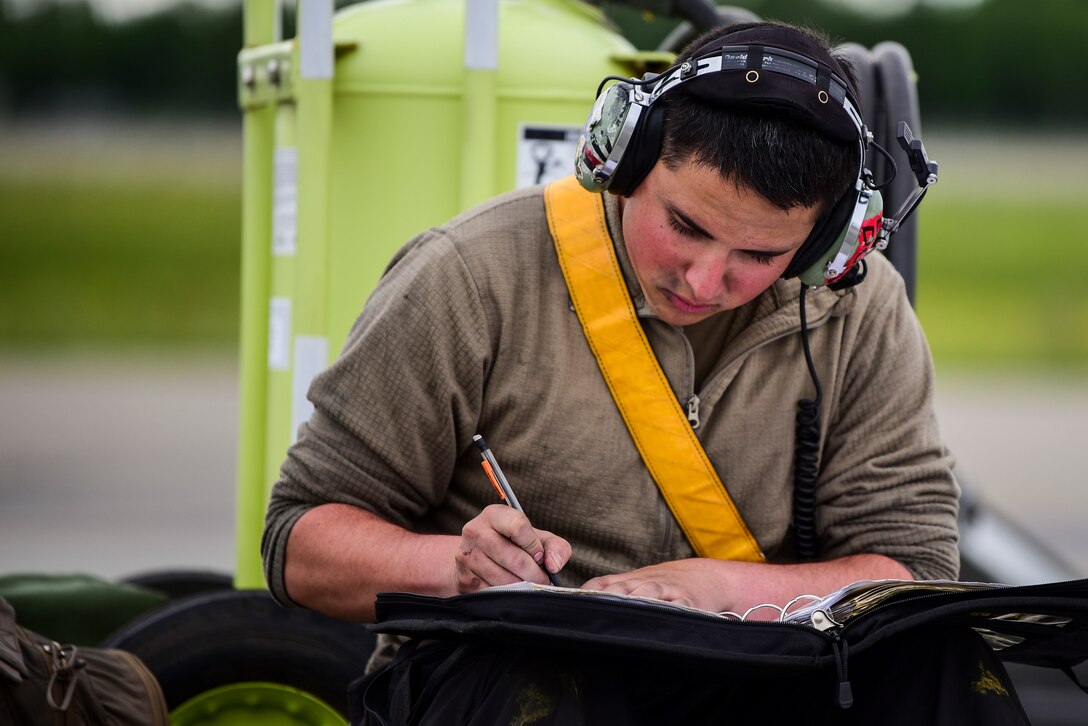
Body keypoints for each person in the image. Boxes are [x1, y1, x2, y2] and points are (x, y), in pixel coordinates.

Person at [262, 19, 1021, 723]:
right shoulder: (470, 274)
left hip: (762, 667)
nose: (701, 279)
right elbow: (299, 540)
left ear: (829, 244)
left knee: (949, 662)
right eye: (684, 226)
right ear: (623, 159)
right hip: (517, 670)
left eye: (759, 256)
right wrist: (454, 566)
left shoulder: (863, 310)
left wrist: (716, 591)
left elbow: (911, 571)